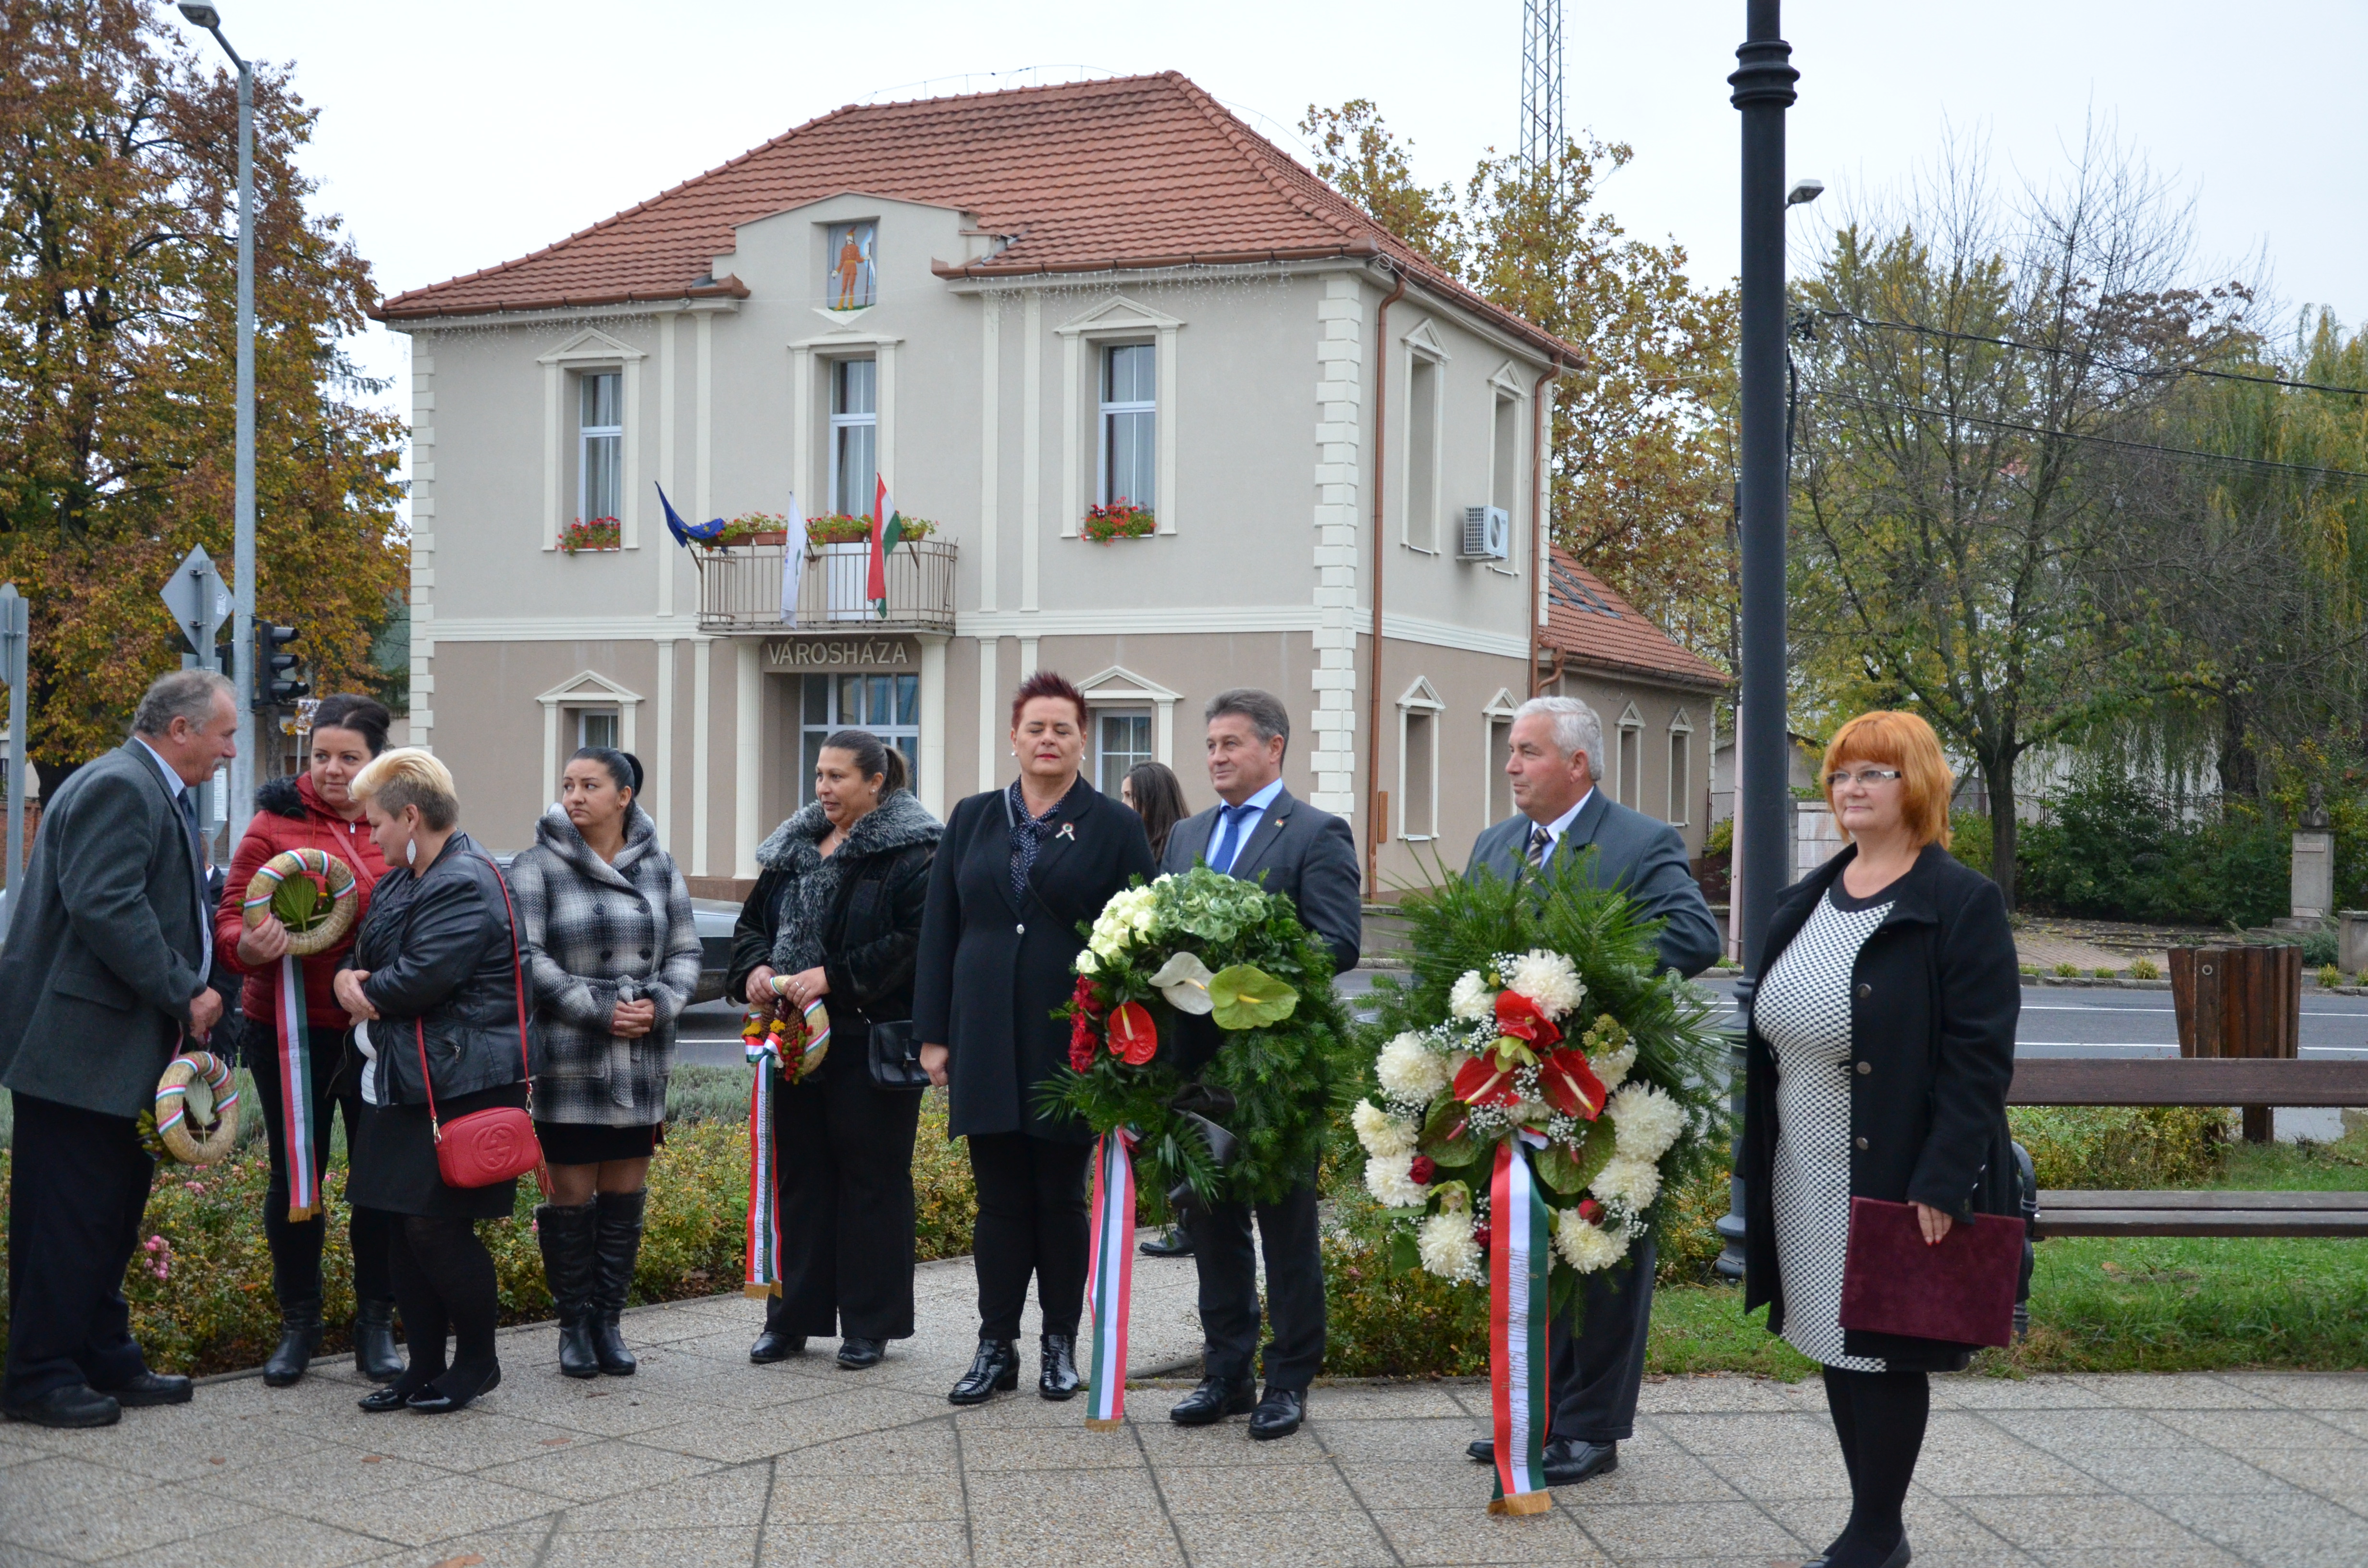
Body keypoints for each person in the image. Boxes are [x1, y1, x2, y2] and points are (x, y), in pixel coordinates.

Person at [1742, 711, 2017, 1568]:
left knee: (1882, 1345)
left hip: (1892, 1165)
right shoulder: (1808, 897)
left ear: (1919, 785)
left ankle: (1873, 1529)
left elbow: (1977, 1055)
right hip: (1802, 1161)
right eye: (1838, 774)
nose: (1849, 788)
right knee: (1832, 1333)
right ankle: (1873, 1520)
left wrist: (1942, 1178)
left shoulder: (1957, 903)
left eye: (1872, 773)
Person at [1463, 695, 1721, 1485]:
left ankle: (1590, 1428)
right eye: (1510, 750)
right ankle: (1535, 1410)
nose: (1510, 765)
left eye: (1528, 751)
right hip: (1513, 1087)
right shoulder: (1494, 844)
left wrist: (1580, 973)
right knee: (1527, 1251)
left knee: (1601, 1255)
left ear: (1577, 763)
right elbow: (1462, 946)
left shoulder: (1640, 841)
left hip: (1602, 1087)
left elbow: (1694, 934)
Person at [913, 672, 1157, 1406]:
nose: (1048, 740)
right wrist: (933, 1035)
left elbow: (1143, 937)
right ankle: (995, 1347)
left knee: (1057, 1197)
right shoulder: (973, 816)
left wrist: (1125, 1042)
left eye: (1062, 730)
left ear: (1083, 741)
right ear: (1014, 739)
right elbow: (939, 930)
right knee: (998, 1201)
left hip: (1071, 1037)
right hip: (983, 1030)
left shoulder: (1113, 826)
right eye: (1035, 729)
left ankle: (1059, 1345)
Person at [0, 670, 235, 1427]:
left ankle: (102, 1354)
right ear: (182, 731)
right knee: (69, 1218)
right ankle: (38, 1375)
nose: (233, 750)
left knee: (106, 1214)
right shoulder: (122, 786)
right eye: (226, 734)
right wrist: (184, 990)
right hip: (79, 1052)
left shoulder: (141, 785)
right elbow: (107, 905)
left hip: (104, 1051)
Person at [1158, 689, 1360, 1441]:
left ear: (1274, 748)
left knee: (1286, 1226)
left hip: (1276, 1067)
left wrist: (1247, 970)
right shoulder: (1186, 834)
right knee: (1207, 1222)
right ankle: (1226, 1374)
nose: (1216, 757)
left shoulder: (1314, 832)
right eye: (1211, 745)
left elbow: (1337, 942)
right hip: (1195, 1064)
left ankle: (1289, 1381)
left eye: (1231, 744)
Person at [730, 731, 940, 1370]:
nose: (823, 789)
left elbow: (914, 941)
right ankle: (791, 1320)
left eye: (837, 777)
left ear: (876, 783)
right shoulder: (793, 848)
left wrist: (834, 976)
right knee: (801, 1180)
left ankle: (869, 1324)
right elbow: (751, 929)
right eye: (819, 776)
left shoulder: (916, 852)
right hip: (793, 1039)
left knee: (871, 1183)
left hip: (867, 1040)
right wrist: (758, 971)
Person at [336, 748, 534, 1415]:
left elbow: (416, 981)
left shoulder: (463, 879)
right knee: (399, 1226)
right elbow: (363, 960)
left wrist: (360, 989)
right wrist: (349, 979)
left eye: (376, 824)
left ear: (411, 816)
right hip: (408, 1080)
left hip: (460, 1083)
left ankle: (478, 1362)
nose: (372, 837)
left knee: (436, 1230)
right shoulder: (403, 879)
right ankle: (422, 1367)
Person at [215, 694, 398, 1387]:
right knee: (296, 1177)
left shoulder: (394, 821)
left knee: (379, 1182)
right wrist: (250, 948)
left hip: (375, 1036)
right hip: (285, 1035)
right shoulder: (273, 822)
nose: (330, 769)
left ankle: (375, 1326)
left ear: (375, 761)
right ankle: (299, 1325)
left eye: (348, 758)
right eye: (321, 755)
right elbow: (229, 918)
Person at [509, 748, 700, 1379]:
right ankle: (573, 1326)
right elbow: (529, 957)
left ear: (625, 795)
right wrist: (596, 1008)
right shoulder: (536, 866)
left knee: (625, 1192)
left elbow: (685, 950)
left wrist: (660, 1004)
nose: (574, 795)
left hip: (643, 1055)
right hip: (572, 1055)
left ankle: (609, 1321)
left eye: (590, 785)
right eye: (567, 784)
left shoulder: (660, 865)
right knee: (571, 1195)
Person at [1121, 759, 1199, 1262]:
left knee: (1175, 1116)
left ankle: (1189, 1218)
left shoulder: (1174, 855)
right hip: (1142, 1008)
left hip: (1172, 1010)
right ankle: (1180, 1214)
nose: (1123, 806)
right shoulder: (1132, 851)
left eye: (1131, 798)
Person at [1119, 760, 1188, 863]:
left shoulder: (1183, 850)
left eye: (1130, 796)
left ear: (1153, 800)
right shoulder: (1128, 844)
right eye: (1123, 796)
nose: (1122, 804)